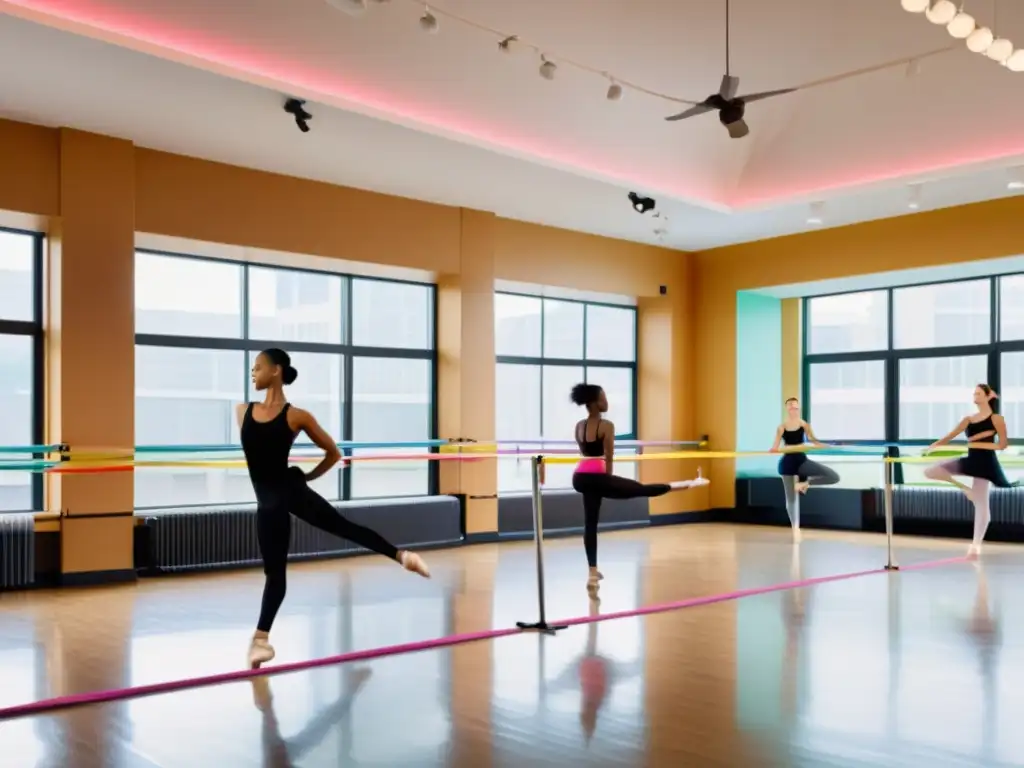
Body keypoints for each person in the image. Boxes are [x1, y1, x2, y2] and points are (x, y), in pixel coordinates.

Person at [240, 348, 430, 669]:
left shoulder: (297, 416)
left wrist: (307, 477)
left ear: (275, 370)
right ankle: (260, 642)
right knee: (275, 574)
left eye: (257, 367)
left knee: (343, 527)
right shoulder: (242, 410)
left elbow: (333, 452)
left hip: (291, 491)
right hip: (268, 504)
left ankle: (402, 556)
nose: (253, 373)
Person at [568, 382, 708, 588]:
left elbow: (585, 454)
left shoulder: (579, 426)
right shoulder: (606, 426)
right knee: (641, 489)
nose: (606, 401)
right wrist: (609, 480)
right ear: (595, 403)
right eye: (603, 397)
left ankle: (592, 572)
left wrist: (603, 481)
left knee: (590, 522)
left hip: (580, 477)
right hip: (598, 478)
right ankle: (690, 483)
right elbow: (608, 456)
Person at [924, 383, 1010, 558]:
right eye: (974, 394)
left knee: (982, 504)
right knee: (931, 471)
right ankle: (964, 489)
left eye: (978, 394)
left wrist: (977, 443)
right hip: (972, 459)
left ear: (987, 397)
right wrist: (934, 446)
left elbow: (1002, 445)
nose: (975, 397)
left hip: (986, 462)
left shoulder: (997, 419)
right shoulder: (968, 419)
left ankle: (976, 546)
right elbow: (950, 435)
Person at [770, 397, 839, 542]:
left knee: (833, 476)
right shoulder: (781, 427)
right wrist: (776, 449)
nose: (793, 410)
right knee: (791, 499)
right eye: (790, 407)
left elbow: (814, 441)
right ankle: (796, 529)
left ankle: (805, 484)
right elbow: (775, 447)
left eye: (795, 407)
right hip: (787, 464)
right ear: (787, 409)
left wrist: (827, 446)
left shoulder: (804, 425)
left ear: (798, 408)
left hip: (801, 461)